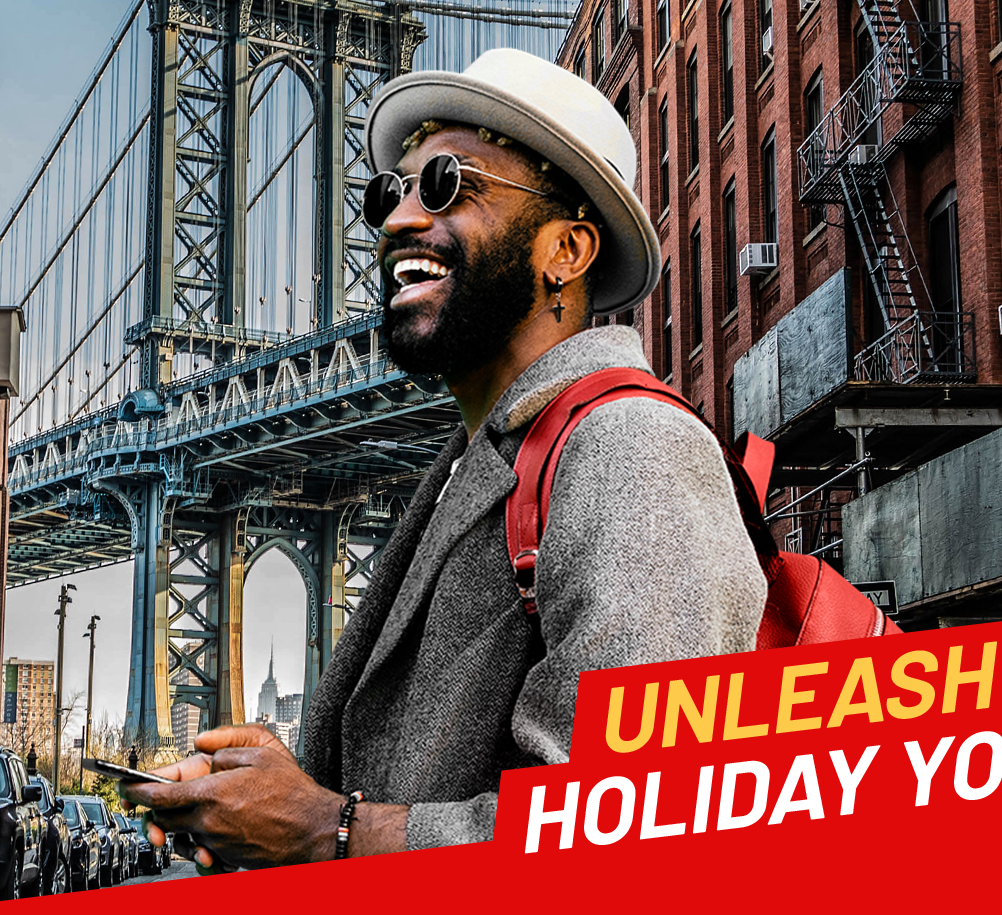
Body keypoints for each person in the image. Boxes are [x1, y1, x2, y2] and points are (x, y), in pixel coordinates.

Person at [124, 49, 765, 868]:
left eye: (448, 184)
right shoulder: (476, 458)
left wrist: (328, 828)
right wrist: (264, 796)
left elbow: (634, 830)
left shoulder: (633, 448)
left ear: (565, 252)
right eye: (390, 193)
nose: (394, 221)